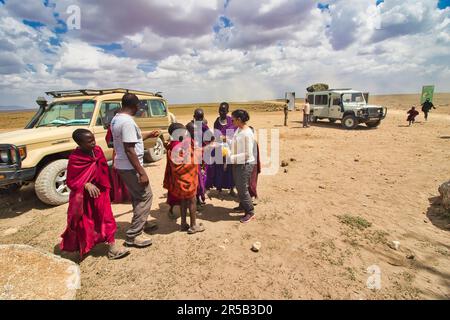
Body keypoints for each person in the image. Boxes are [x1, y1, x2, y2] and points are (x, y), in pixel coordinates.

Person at [60, 129, 130, 260]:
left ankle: (112, 248)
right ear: (80, 143)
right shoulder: (76, 158)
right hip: (85, 198)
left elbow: (103, 170)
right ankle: (84, 245)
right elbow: (71, 181)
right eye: (89, 141)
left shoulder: (97, 151)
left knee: (106, 218)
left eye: (93, 139)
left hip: (101, 193)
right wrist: (86, 184)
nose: (93, 142)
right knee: (85, 222)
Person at [110, 93, 160, 248]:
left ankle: (141, 223)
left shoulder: (116, 119)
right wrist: (141, 172)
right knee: (145, 196)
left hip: (124, 165)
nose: (139, 108)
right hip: (131, 166)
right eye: (138, 106)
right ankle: (134, 235)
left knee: (137, 197)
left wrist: (148, 135)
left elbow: (132, 140)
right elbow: (129, 149)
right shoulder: (127, 123)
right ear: (135, 106)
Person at [163, 123, 205, 234]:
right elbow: (190, 160)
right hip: (186, 179)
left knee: (183, 200)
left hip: (178, 179)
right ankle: (193, 226)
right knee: (192, 201)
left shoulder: (173, 144)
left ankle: (183, 224)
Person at [224, 109, 257, 223]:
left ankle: (250, 211)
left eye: (233, 119)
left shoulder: (247, 133)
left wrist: (231, 158)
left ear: (239, 120)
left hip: (244, 164)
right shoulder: (239, 129)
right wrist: (226, 142)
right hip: (238, 163)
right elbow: (236, 143)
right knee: (239, 186)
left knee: (242, 188)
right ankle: (243, 205)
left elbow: (248, 154)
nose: (231, 120)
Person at [206, 102, 237, 195]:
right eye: (220, 110)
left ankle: (231, 188)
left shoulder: (231, 120)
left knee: (230, 169)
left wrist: (224, 137)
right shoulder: (217, 121)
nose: (221, 112)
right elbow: (216, 135)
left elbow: (232, 134)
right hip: (219, 147)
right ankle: (219, 188)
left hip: (229, 147)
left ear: (227, 111)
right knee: (219, 168)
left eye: (223, 110)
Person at [187, 109, 212, 207]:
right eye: (198, 117)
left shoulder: (204, 126)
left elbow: (210, 139)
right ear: (194, 116)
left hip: (202, 156)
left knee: (202, 177)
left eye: (201, 118)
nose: (200, 119)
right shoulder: (189, 126)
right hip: (192, 156)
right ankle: (196, 199)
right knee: (195, 179)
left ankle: (200, 196)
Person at [105, 125, 131, 204]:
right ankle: (122, 196)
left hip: (128, 151)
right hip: (118, 151)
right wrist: (119, 143)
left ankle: (129, 195)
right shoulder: (113, 127)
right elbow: (109, 142)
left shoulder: (127, 125)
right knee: (119, 173)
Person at [248, 126, 261, 206]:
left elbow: (255, 156)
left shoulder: (253, 142)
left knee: (252, 183)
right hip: (247, 165)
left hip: (253, 165)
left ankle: (255, 196)